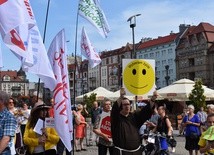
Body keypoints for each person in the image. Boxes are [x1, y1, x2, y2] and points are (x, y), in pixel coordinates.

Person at [111, 88, 157, 155]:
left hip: (136, 152)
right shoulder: (116, 118)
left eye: (128, 104)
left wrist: (153, 99)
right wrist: (121, 97)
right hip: (121, 152)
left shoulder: (134, 117)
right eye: (125, 105)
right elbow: (114, 110)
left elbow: (145, 112)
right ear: (121, 106)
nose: (127, 106)